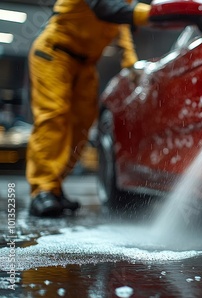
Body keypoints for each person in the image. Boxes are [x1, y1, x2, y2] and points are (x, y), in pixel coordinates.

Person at [27, 0, 151, 217]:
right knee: (53, 117)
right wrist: (155, 13)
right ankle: (42, 190)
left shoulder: (124, 3)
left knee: (82, 126)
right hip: (54, 54)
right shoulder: (113, 5)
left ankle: (55, 187)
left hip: (86, 65)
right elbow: (106, 8)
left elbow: (120, 27)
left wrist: (130, 63)